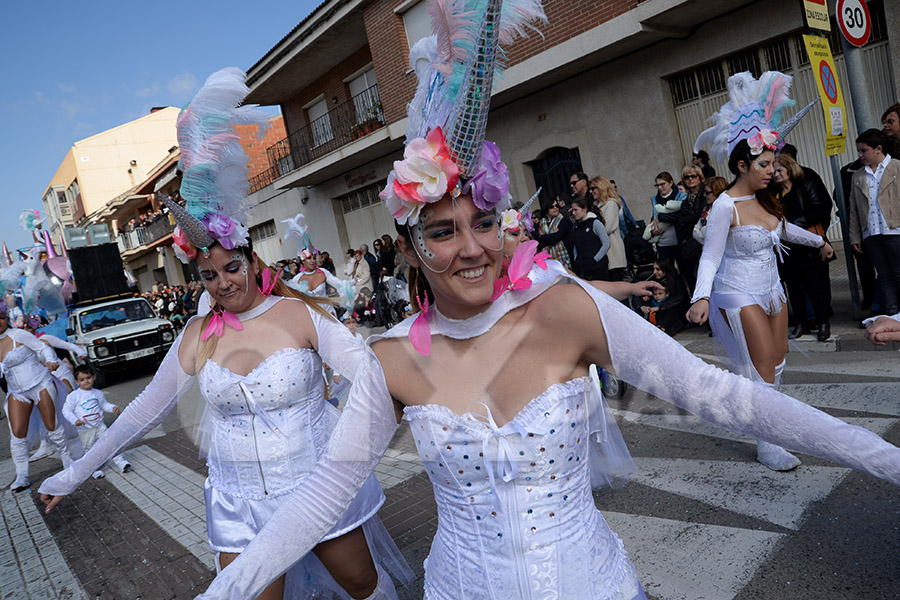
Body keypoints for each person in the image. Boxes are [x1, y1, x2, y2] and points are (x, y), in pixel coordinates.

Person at [184, 17, 900, 599]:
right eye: (442, 230)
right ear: (411, 251)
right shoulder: (392, 357)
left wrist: (883, 457)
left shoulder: (565, 311)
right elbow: (324, 492)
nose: (472, 248)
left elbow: (727, 400)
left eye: (484, 223)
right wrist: (227, 589)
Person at [39, 68, 410, 600]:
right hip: (238, 501)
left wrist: (345, 447)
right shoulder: (197, 333)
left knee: (360, 582)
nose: (223, 283)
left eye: (232, 268)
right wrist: (74, 474)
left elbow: (371, 376)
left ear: (251, 259)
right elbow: (145, 410)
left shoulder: (300, 316)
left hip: (314, 488)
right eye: (209, 274)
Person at [688, 70, 834, 471]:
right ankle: (766, 443)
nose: (772, 170)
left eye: (774, 163)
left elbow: (786, 230)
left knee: (778, 362)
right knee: (761, 365)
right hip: (738, 292)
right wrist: (701, 295)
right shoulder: (725, 207)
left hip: (773, 290)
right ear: (742, 164)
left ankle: (766, 425)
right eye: (765, 163)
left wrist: (819, 241)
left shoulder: (766, 201)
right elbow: (711, 257)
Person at [2, 300, 75, 491]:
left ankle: (67, 460)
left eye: (1, 318)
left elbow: (42, 348)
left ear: (6, 319)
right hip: (17, 391)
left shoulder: (19, 335)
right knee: (17, 432)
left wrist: (51, 360)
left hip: (41, 383)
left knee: (52, 425)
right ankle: (22, 476)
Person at [773, 153, 834, 341]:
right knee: (793, 288)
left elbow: (818, 210)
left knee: (815, 287)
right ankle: (800, 323)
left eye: (779, 170)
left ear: (790, 169)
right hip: (786, 249)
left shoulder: (806, 185)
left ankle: (822, 323)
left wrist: (788, 227)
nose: (775, 174)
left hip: (808, 246)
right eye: (774, 171)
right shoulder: (773, 193)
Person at [847, 128, 900, 317]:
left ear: (879, 148)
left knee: (898, 272)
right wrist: (856, 237)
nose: (860, 155)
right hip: (872, 233)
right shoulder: (858, 175)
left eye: (864, 151)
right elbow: (853, 210)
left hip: (895, 231)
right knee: (884, 276)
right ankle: (893, 314)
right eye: (859, 151)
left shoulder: (896, 167)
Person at [63, 364, 131, 479]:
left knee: (110, 442)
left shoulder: (97, 393)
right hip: (85, 429)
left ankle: (121, 462)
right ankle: (92, 470)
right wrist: (75, 420)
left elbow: (104, 405)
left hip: (99, 425)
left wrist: (112, 408)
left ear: (94, 377)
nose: (86, 381)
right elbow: (66, 410)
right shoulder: (74, 396)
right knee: (89, 450)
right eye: (82, 380)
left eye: (88, 378)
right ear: (77, 382)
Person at [663, 164, 707, 291]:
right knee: (691, 279)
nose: (690, 179)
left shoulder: (704, 194)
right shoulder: (687, 198)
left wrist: (682, 220)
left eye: (694, 176)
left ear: (700, 177)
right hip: (688, 242)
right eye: (687, 177)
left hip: (701, 242)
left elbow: (700, 214)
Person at [590, 177, 627, 281]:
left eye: (594, 188)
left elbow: (608, 227)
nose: (591, 191)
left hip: (613, 253)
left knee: (617, 286)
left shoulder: (611, 204)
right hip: (603, 254)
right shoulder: (596, 205)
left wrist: (592, 232)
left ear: (602, 187)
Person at [645, 172, 686, 259]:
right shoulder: (655, 200)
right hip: (662, 244)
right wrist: (653, 231)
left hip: (680, 242)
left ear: (671, 183)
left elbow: (679, 217)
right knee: (666, 271)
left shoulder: (681, 197)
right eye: (657, 185)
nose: (659, 188)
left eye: (662, 184)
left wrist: (660, 217)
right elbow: (654, 220)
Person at [570, 196, 611, 280]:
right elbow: (576, 244)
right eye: (572, 210)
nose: (573, 213)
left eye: (576, 210)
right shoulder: (576, 226)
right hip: (584, 268)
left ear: (584, 209)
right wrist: (576, 258)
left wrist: (595, 259)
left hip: (598, 267)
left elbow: (606, 244)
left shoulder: (595, 223)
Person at [535, 196, 573, 269]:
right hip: (548, 259)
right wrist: (552, 235)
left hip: (563, 256)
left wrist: (544, 237)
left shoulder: (563, 220)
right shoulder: (541, 223)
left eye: (557, 206)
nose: (555, 208)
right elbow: (539, 241)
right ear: (546, 209)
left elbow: (558, 236)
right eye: (552, 207)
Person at [693, 176, 728, 245]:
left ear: (717, 192)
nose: (704, 195)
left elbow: (716, 235)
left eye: (707, 192)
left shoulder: (726, 209)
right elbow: (695, 231)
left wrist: (703, 230)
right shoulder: (707, 208)